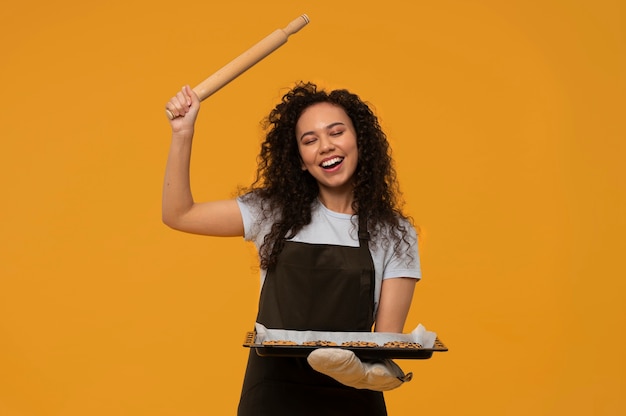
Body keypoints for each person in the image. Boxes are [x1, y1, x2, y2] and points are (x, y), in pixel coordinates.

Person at [163, 82, 421, 415]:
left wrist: (377, 370)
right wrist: (183, 133)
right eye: (309, 140)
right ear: (299, 160)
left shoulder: (394, 232)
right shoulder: (273, 212)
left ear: (360, 140)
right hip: (273, 394)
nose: (325, 146)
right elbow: (178, 214)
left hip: (354, 394)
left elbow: (384, 342)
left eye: (336, 132)